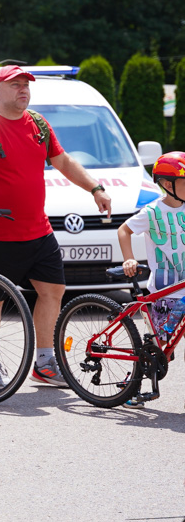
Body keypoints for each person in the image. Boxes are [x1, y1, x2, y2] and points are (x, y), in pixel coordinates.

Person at [0, 65, 112, 389]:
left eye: (26, 85)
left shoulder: (38, 124)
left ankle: (45, 362)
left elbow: (63, 161)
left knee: (53, 291)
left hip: (39, 230)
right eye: (16, 85)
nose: (23, 90)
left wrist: (95, 188)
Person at [119, 152, 185, 409]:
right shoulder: (153, 211)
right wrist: (129, 259)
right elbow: (124, 230)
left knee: (160, 348)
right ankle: (130, 386)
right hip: (164, 292)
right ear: (168, 184)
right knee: (154, 349)